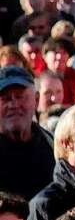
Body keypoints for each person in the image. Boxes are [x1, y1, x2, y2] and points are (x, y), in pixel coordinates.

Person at [0, 66, 55, 201]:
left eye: (20, 96)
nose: (13, 104)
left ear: (36, 100)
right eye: (5, 99)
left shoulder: (52, 146)